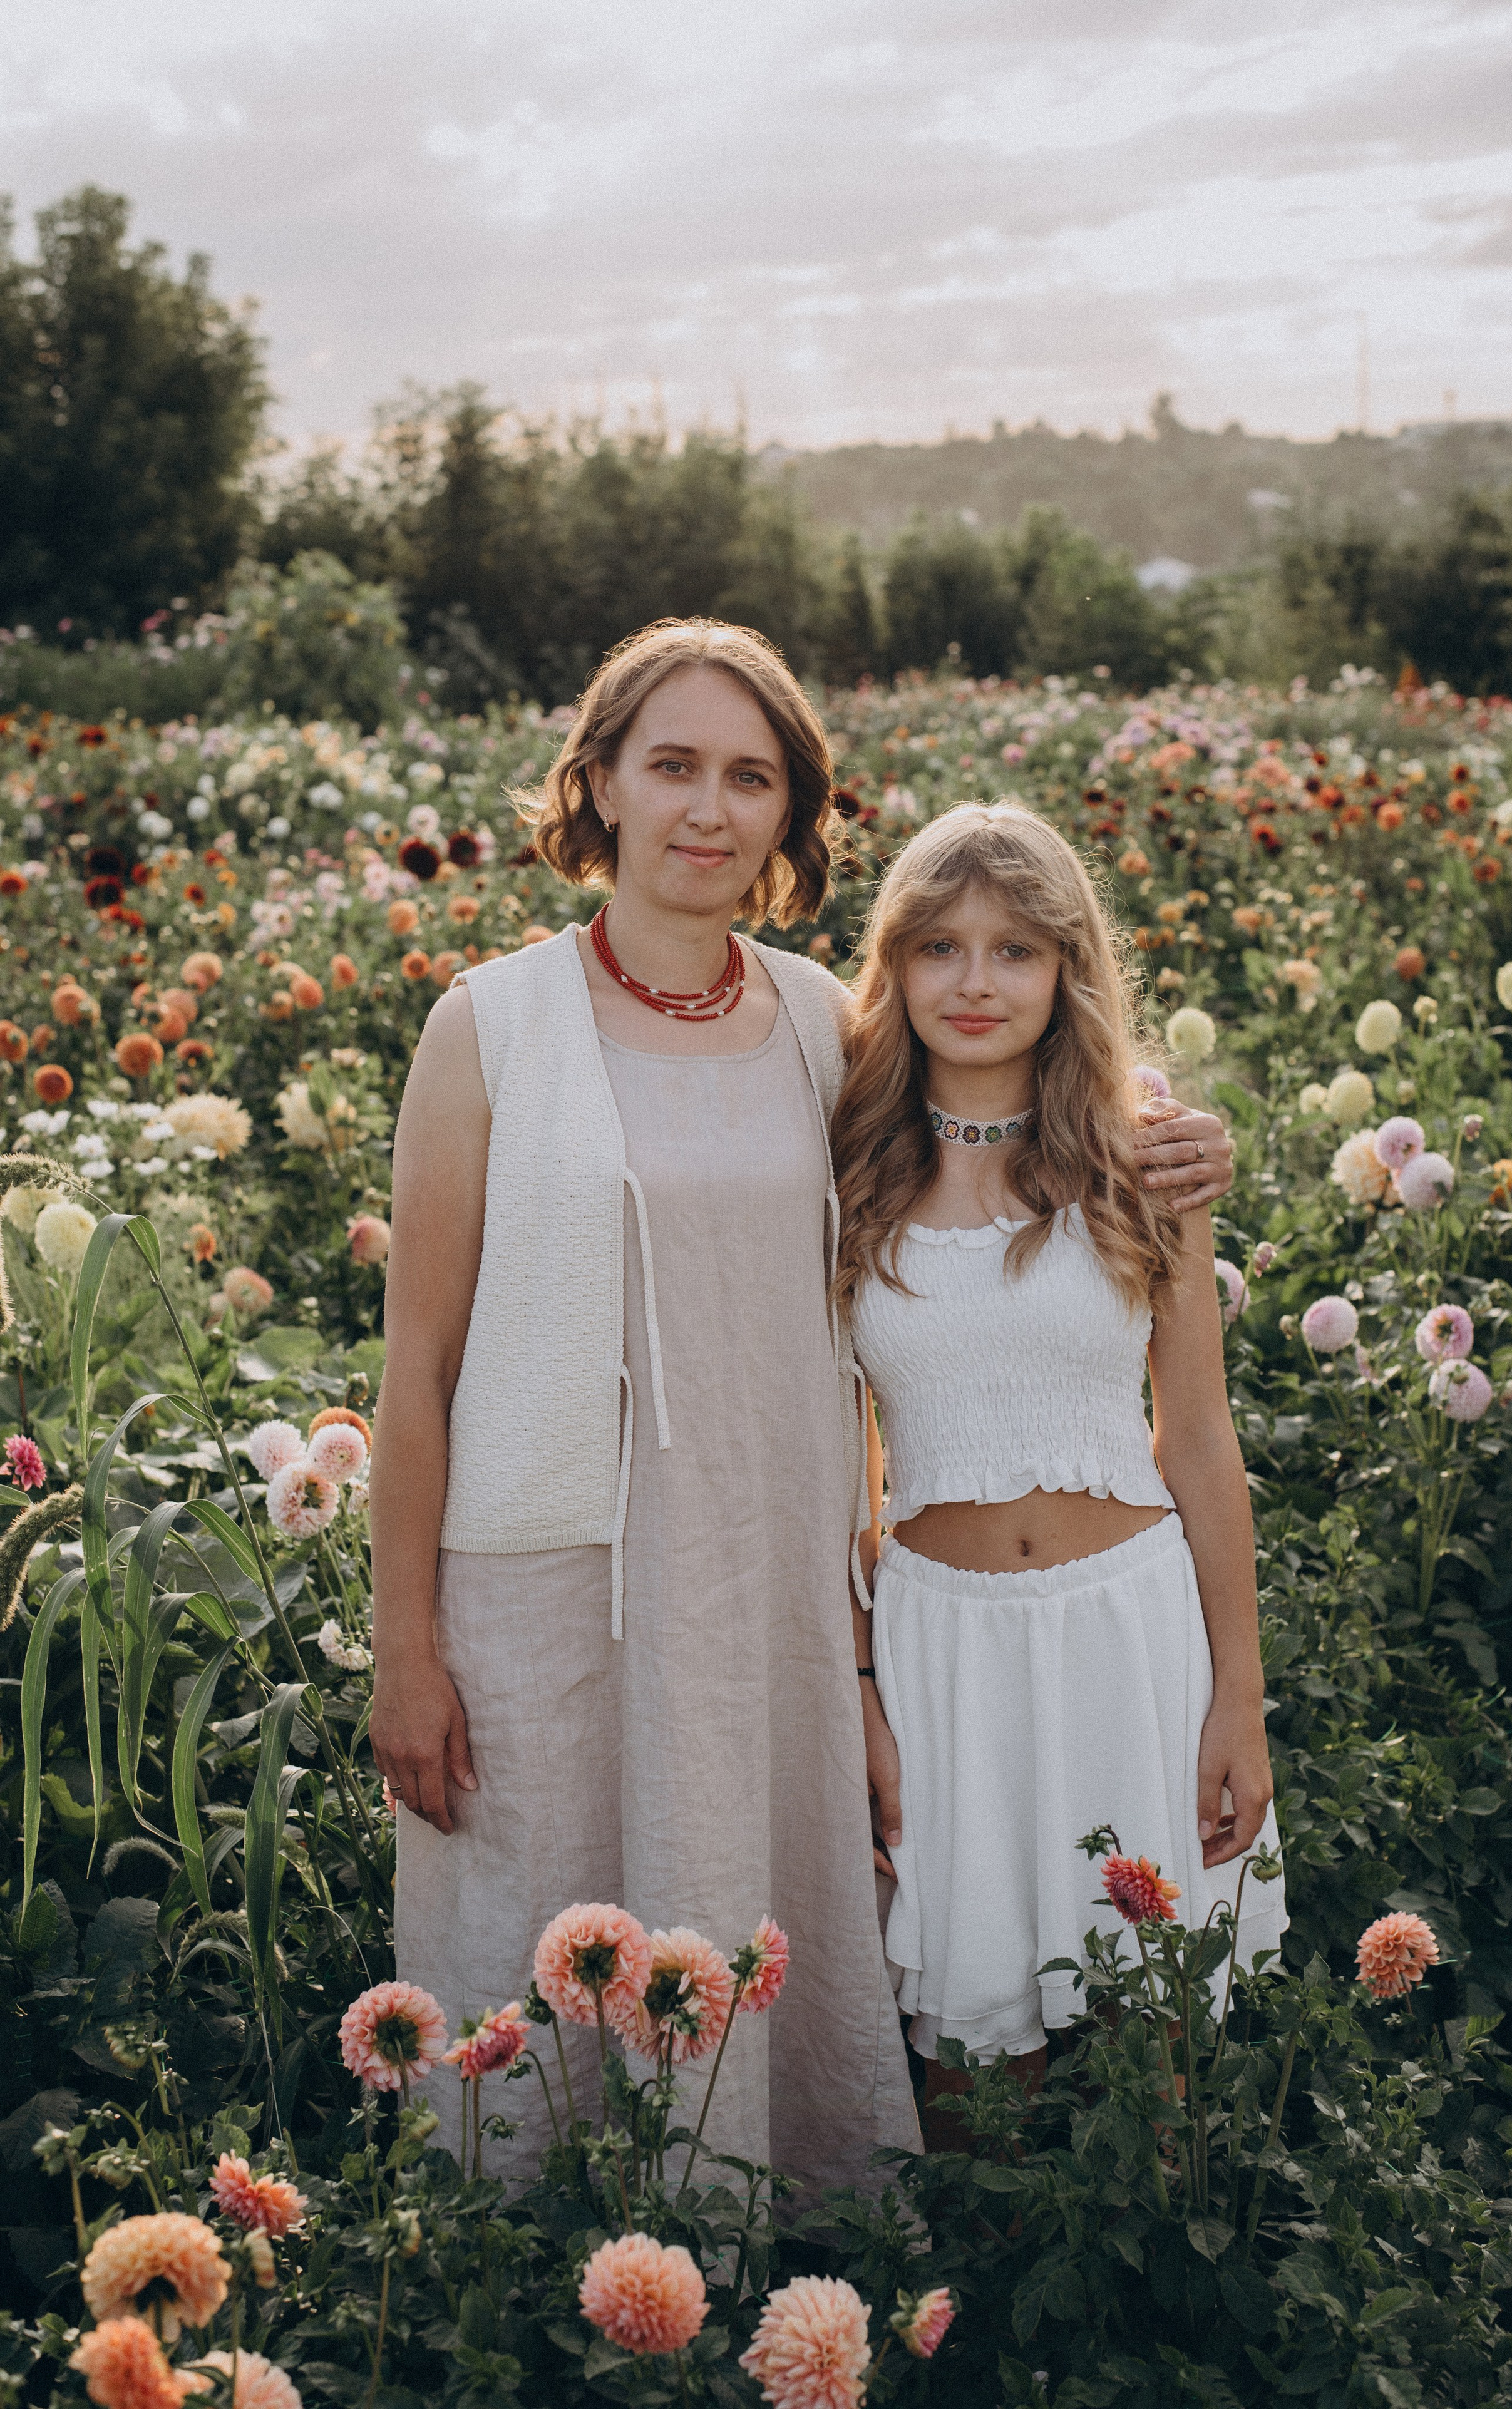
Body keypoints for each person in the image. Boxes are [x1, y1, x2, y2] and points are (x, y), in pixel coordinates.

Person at [368, 619, 1237, 2189]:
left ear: (790, 816)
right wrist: (405, 1648)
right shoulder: (487, 1028)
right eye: (674, 766)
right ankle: (519, 2266)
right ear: (602, 786)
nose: (708, 807)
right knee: (533, 1930)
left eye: (749, 776)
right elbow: (413, 1373)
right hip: (541, 1577)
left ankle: (748, 2233)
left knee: (737, 1916)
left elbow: (993, 1124)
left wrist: (1176, 1144)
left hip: (758, 1585)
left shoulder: (811, 1031)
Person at [832, 801, 1286, 2130]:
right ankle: (980, 2330)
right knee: (974, 2066)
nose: (974, 982)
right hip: (937, 1653)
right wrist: (856, 1683)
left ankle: (1143, 2325)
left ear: (1064, 969)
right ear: (895, 966)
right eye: (938, 947)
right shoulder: (846, 1172)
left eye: (1015, 950)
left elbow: (1194, 1435)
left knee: (1153, 2043)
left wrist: (1237, 1699)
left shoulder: (1142, 1163)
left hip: (1126, 1635)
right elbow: (829, 1468)